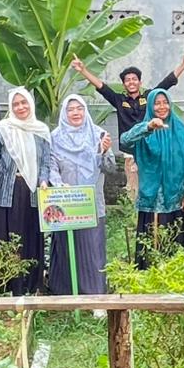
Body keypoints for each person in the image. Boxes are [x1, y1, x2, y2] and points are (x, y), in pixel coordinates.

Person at [70, 51, 184, 197]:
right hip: (130, 154)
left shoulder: (149, 97)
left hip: (150, 151)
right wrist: (83, 70)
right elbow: (101, 86)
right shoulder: (119, 100)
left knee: (155, 189)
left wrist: (183, 65)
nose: (131, 82)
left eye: (134, 79)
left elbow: (167, 83)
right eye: (127, 80)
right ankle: (136, 217)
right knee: (134, 192)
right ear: (124, 84)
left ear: (140, 82)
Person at [0, 87, 53, 295]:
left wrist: (44, 180)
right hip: (3, 193)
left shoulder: (41, 130)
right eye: (15, 104)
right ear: (11, 107)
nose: (20, 107)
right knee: (0, 238)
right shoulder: (2, 129)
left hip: (30, 193)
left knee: (27, 238)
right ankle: (0, 287)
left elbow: (46, 162)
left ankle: (28, 286)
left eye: (24, 103)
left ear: (30, 104)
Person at [120, 89, 184, 269]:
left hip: (176, 200)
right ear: (151, 106)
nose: (162, 107)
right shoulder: (144, 130)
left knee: (175, 244)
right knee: (150, 246)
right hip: (151, 199)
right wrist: (148, 127)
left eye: (165, 102)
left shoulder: (181, 130)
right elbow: (124, 141)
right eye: (157, 103)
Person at [48, 95, 115, 295]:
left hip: (92, 202)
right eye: (70, 109)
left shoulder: (98, 134)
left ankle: (95, 296)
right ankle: (66, 294)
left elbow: (110, 168)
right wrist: (59, 186)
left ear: (85, 111)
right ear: (64, 113)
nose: (75, 113)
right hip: (65, 200)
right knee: (67, 246)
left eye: (79, 108)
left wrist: (103, 152)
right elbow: (50, 166)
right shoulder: (55, 137)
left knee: (92, 248)